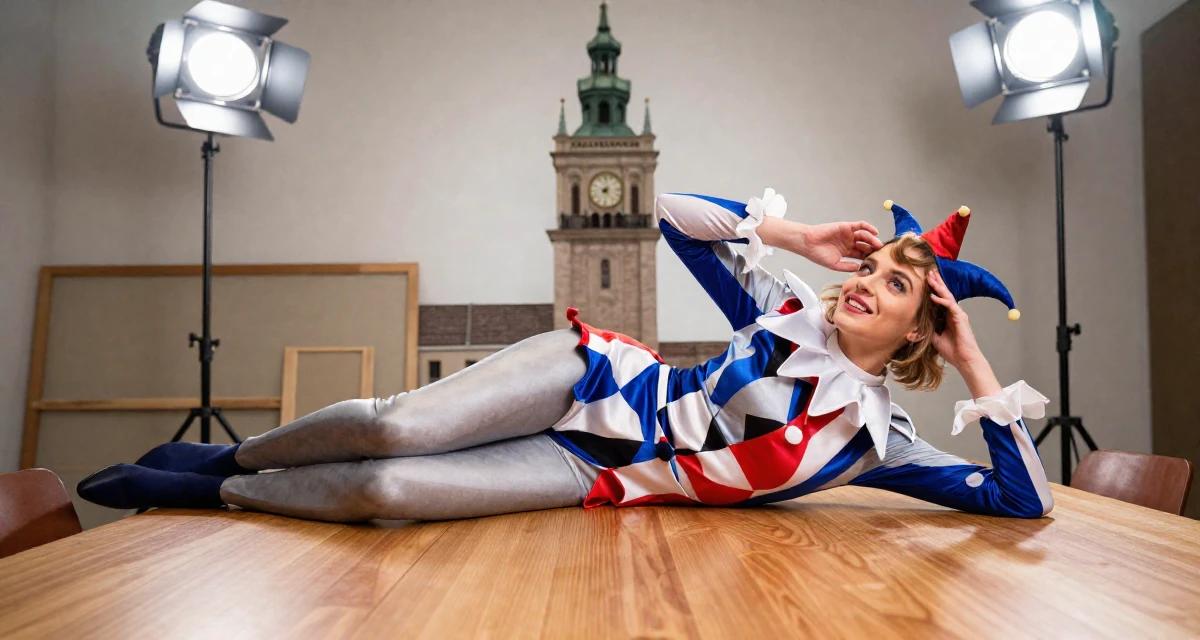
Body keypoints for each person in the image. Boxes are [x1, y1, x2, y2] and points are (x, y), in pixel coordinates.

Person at [78, 189, 1053, 522]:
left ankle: (221, 495)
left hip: (596, 469)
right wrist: (796, 238)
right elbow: (672, 219)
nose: (859, 282)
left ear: (921, 333)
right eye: (870, 263)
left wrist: (973, 361)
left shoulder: (878, 443)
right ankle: (220, 463)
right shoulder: (781, 307)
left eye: (885, 283)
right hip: (596, 375)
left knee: (389, 493)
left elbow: (1022, 503)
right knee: (394, 425)